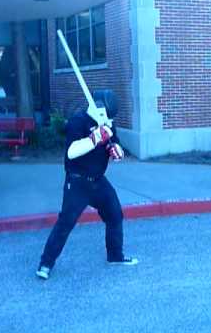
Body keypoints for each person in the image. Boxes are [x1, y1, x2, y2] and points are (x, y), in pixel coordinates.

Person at [36, 90, 138, 280]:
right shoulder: (78, 121)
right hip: (77, 182)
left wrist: (117, 151)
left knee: (115, 214)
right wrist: (95, 138)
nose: (108, 119)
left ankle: (115, 255)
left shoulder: (108, 124)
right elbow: (71, 152)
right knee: (65, 223)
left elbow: (115, 145)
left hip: (98, 181)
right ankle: (46, 263)